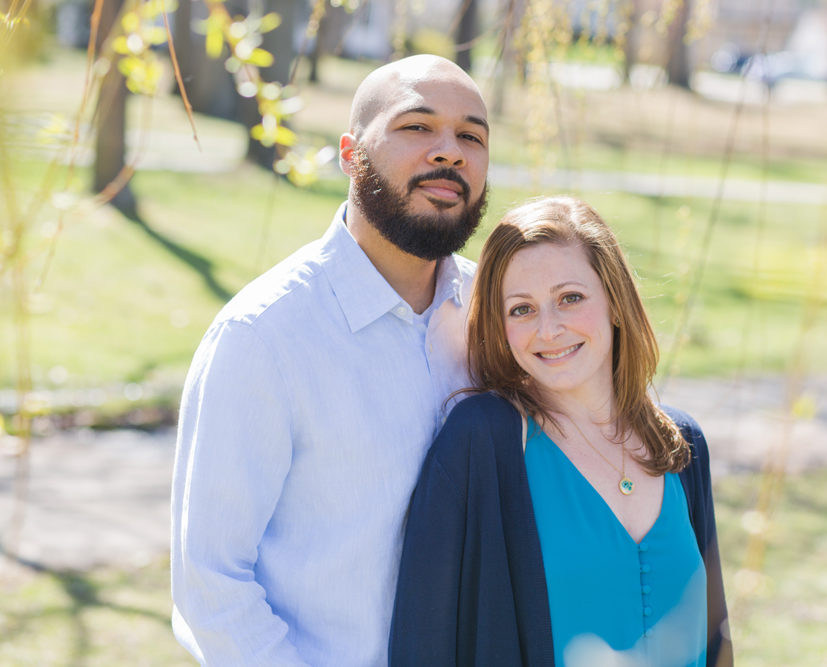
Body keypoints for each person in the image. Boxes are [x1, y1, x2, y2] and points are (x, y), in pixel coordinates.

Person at [170, 54, 489, 666]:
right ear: (350, 154)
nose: (449, 151)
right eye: (417, 127)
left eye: (470, 136)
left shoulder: (500, 318)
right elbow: (210, 585)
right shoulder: (264, 337)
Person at [390, 196, 732, 667]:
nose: (548, 330)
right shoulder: (486, 440)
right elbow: (423, 642)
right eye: (522, 310)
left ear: (615, 301)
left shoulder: (680, 444)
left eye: (570, 298)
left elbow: (716, 642)